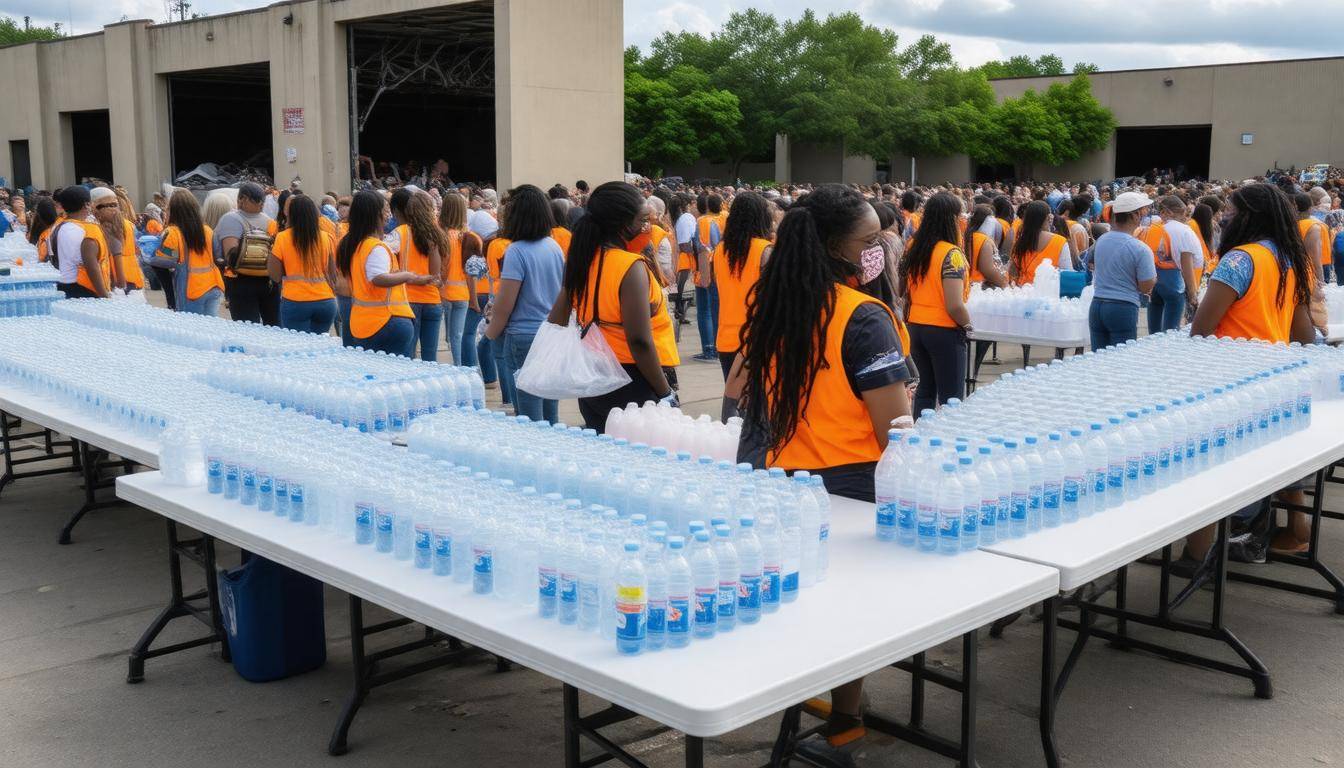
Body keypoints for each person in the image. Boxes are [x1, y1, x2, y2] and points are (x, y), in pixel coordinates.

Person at [724, 185, 911, 765]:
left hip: (775, 474)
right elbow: (894, 429)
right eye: (868, 240)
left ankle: (795, 693)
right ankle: (845, 719)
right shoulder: (865, 317)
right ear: (838, 247)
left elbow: (735, 392)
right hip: (847, 485)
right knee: (847, 614)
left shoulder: (775, 298)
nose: (877, 246)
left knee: (795, 597)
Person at [1188, 183, 1315, 562]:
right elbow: (1304, 334)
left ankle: (1195, 559)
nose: (1225, 215)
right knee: (1261, 463)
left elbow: (1200, 329)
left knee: (1211, 469)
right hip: (1272, 380)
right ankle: (1280, 534)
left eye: (1231, 209)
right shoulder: (1289, 259)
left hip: (1230, 381)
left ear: (1248, 216)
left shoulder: (1239, 260)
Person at [546, 182, 679, 432]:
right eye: (642, 220)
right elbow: (639, 340)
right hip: (634, 379)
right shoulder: (631, 266)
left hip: (594, 377)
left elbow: (556, 319)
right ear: (623, 224)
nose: (647, 227)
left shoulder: (584, 259)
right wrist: (665, 393)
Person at [484, 185, 566, 424]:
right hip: (550, 334)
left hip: (524, 337)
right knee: (550, 413)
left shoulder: (516, 251)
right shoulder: (553, 247)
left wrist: (488, 336)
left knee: (529, 417)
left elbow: (506, 305)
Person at [336, 190, 437, 356]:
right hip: (387, 320)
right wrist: (407, 276)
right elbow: (377, 277)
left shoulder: (354, 245)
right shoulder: (376, 246)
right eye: (385, 211)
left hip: (364, 322)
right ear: (375, 215)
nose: (388, 215)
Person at [901, 192, 972, 414]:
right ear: (951, 219)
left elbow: (900, 289)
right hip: (944, 329)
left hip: (915, 326)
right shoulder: (952, 254)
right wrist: (968, 324)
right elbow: (954, 305)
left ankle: (919, 440)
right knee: (951, 398)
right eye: (960, 215)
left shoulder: (913, 246)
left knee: (924, 393)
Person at [708, 192, 773, 379]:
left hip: (726, 338)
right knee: (759, 405)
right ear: (761, 217)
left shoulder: (720, 250)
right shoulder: (765, 251)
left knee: (735, 402)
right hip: (758, 340)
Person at [1085, 192, 1158, 349]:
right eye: (1143, 211)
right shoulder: (1140, 248)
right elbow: (1146, 286)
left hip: (1097, 304)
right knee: (1120, 362)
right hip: (1122, 308)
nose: (1145, 214)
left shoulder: (1102, 240)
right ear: (1135, 215)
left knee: (1098, 360)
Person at [269, 195, 338, 334]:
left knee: (298, 351)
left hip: (296, 301)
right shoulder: (326, 237)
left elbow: (275, 276)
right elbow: (333, 274)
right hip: (326, 301)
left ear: (292, 215)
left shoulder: (283, 237)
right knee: (319, 350)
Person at [394, 191, 449, 361]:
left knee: (408, 353)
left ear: (409, 211)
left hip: (407, 299)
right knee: (430, 356)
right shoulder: (438, 234)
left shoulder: (400, 232)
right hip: (432, 300)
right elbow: (437, 273)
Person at [216, 183, 279, 325]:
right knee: (275, 326)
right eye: (257, 200)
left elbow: (230, 255)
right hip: (269, 281)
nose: (261, 204)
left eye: (261, 201)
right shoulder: (270, 221)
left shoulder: (230, 219)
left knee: (247, 328)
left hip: (241, 281)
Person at [1137, 195, 1200, 332]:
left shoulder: (1151, 229)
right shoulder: (1184, 231)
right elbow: (1186, 264)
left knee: (1154, 327)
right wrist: (1193, 293)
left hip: (1152, 280)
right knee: (1170, 330)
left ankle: (1151, 348)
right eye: (1185, 214)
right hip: (1174, 281)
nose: (1186, 218)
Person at [157, 190, 223, 315]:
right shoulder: (208, 230)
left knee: (191, 331)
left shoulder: (172, 232)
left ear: (173, 211)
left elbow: (161, 260)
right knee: (210, 331)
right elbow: (218, 256)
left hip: (191, 290)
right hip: (214, 286)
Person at [437, 193, 482, 365]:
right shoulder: (472, 238)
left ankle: (459, 369)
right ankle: (468, 369)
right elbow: (475, 273)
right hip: (463, 293)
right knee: (459, 335)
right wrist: (474, 298)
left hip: (445, 292)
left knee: (452, 338)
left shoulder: (442, 236)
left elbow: (443, 267)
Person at [50, 186, 111, 299]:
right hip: (81, 287)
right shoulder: (83, 230)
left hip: (61, 283)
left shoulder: (57, 226)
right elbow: (91, 266)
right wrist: (104, 296)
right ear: (86, 205)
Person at [1009, 200, 1070, 286]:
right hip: (1046, 293)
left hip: (1022, 292)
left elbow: (1012, 273)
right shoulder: (1060, 241)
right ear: (1049, 218)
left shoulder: (1020, 241)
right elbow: (1067, 275)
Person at [692, 194, 723, 362]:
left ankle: (711, 349)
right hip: (724, 268)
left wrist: (704, 275)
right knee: (718, 309)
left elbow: (702, 248)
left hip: (709, 268)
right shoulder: (726, 217)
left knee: (708, 310)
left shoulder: (703, 222)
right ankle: (719, 347)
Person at [91, 187, 138, 293]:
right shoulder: (128, 224)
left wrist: (120, 283)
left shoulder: (108, 227)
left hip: (119, 281)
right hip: (134, 277)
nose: (112, 209)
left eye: (114, 205)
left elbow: (117, 257)